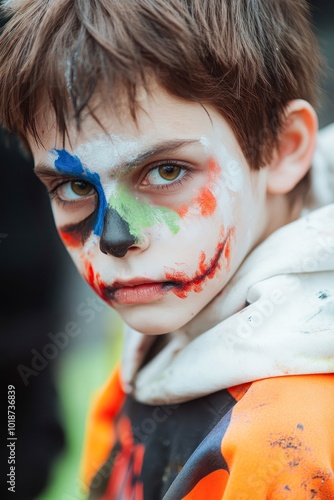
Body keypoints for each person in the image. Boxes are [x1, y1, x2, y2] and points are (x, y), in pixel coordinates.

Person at [0, 0, 333, 498]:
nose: (113, 239)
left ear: (283, 148)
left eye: (166, 171)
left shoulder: (283, 439)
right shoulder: (168, 313)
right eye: (73, 186)